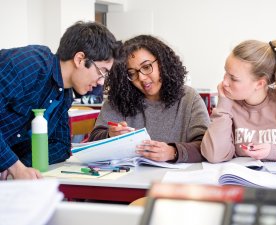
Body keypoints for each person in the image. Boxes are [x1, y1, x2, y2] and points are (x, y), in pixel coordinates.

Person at [0, 21, 121, 180]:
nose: (100, 82)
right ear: (79, 59)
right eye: (102, 71)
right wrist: (14, 166)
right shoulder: (31, 64)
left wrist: (18, 166)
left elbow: (61, 147)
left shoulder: (63, 95)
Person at [88, 35, 210, 163]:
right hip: (128, 180)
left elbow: (207, 147)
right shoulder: (119, 98)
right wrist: (110, 135)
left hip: (174, 179)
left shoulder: (189, 98)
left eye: (146, 67)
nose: (141, 78)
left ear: (163, 63)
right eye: (132, 73)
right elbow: (94, 140)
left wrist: (172, 152)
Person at [201, 40, 276, 163]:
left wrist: (273, 151)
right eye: (226, 72)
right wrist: (223, 108)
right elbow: (214, 156)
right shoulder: (227, 107)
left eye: (234, 78)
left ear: (259, 83)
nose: (224, 82)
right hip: (238, 180)